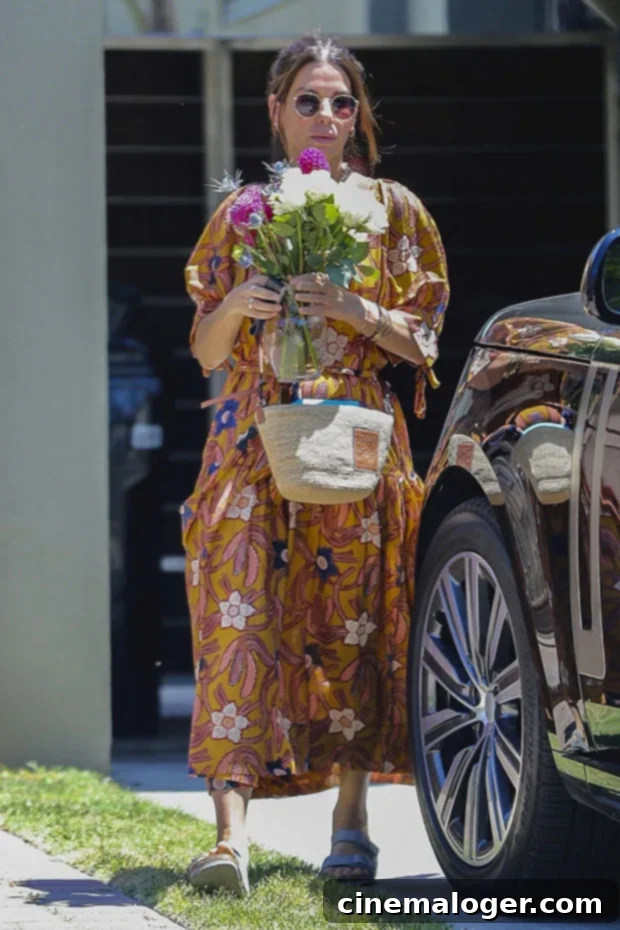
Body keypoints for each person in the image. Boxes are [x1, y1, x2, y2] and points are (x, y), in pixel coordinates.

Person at [180, 33, 450, 896]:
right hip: (253, 436)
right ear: (275, 110)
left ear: (359, 113)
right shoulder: (246, 213)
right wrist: (238, 303)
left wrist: (353, 306)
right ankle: (229, 839)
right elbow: (204, 348)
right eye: (308, 101)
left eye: (341, 102)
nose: (327, 117)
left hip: (355, 434)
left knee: (353, 623)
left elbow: (425, 340)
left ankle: (351, 826)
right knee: (239, 614)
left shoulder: (395, 210)